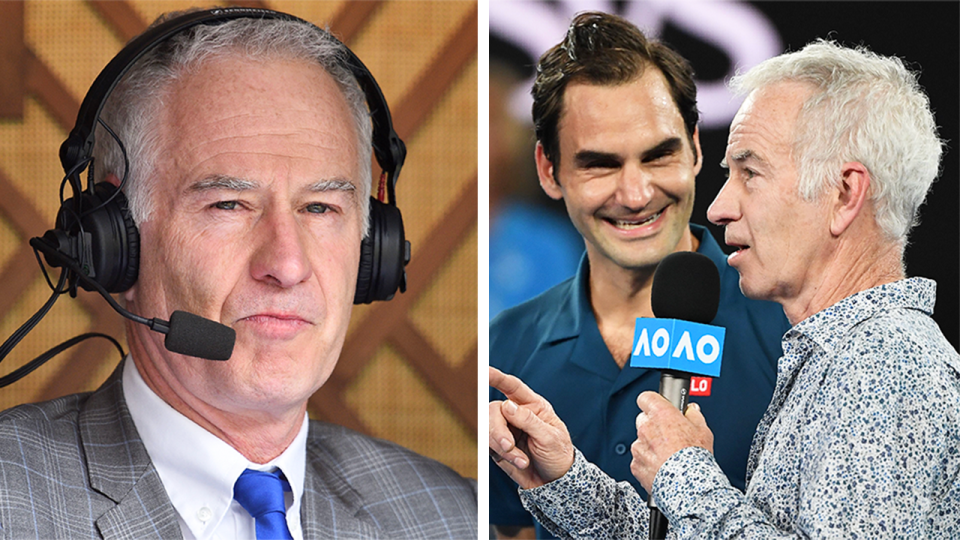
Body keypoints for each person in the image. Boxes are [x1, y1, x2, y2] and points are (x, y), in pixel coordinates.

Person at [0, 9, 477, 539]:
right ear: (112, 244)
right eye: (229, 204)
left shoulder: (451, 515)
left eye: (320, 208)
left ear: (373, 256)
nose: (287, 266)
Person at [490, 39, 960, 538]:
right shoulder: (838, 357)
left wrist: (684, 474)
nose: (717, 208)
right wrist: (566, 478)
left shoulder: (885, 367)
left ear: (845, 193)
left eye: (750, 172)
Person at [489, 11, 790, 538]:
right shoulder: (506, 350)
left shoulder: (790, 329)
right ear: (548, 169)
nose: (635, 195)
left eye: (658, 156)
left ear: (696, 149)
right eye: (600, 164)